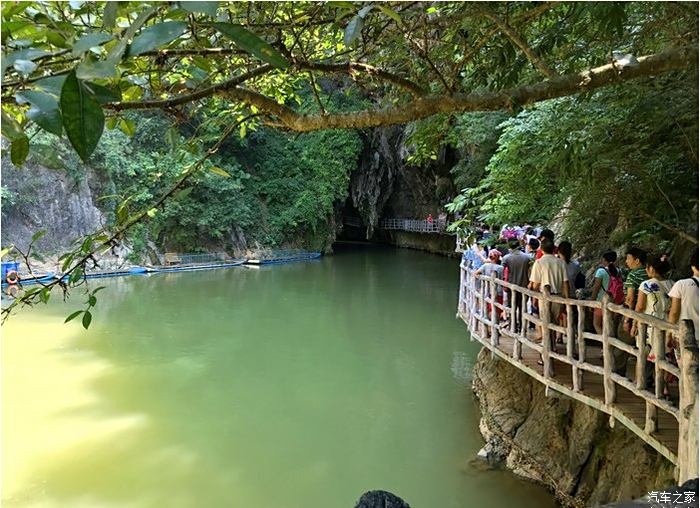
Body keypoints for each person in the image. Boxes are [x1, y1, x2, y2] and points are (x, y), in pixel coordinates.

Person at [529, 238, 569, 366]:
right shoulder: (561, 262)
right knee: (554, 325)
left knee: (545, 325)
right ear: (554, 249)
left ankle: (545, 355)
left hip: (544, 297)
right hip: (558, 297)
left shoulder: (539, 262)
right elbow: (565, 283)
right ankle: (552, 350)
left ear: (541, 249)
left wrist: (533, 293)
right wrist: (566, 300)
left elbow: (535, 284)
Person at [616, 247, 648, 374]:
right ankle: (647, 378)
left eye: (629, 259)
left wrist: (627, 319)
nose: (626, 262)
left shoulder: (633, 275)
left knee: (622, 346)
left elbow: (630, 299)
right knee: (646, 347)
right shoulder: (649, 272)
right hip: (648, 314)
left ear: (637, 260)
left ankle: (618, 374)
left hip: (633, 313)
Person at [668, 250, 699, 340]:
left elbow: (674, 312)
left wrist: (669, 334)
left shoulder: (682, 284)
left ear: (693, 267)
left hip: (687, 337)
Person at [502, 238, 531, 332]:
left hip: (511, 286)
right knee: (522, 307)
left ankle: (512, 326)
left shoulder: (506, 258)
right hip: (524, 285)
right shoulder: (527, 257)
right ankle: (522, 327)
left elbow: (503, 272)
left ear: (509, 246)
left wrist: (504, 284)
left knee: (512, 307)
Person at [590, 251, 620, 335]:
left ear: (604, 260)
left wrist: (592, 301)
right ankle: (608, 343)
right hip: (614, 301)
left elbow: (596, 288)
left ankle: (605, 343)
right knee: (608, 325)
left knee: (596, 324)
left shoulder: (601, 271)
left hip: (600, 301)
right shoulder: (618, 271)